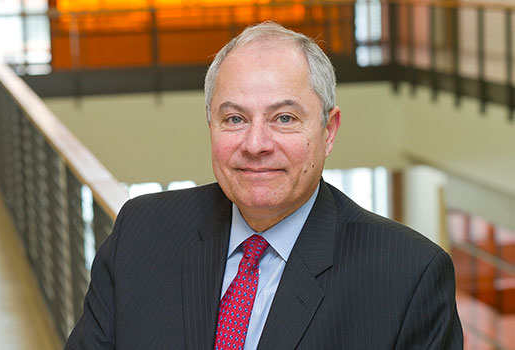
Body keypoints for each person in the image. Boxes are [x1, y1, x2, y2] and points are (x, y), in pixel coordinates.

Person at [65, 21, 463, 349]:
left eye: (284, 118)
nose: (255, 144)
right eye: (235, 119)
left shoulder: (408, 276)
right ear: (211, 126)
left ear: (328, 130)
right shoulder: (142, 231)